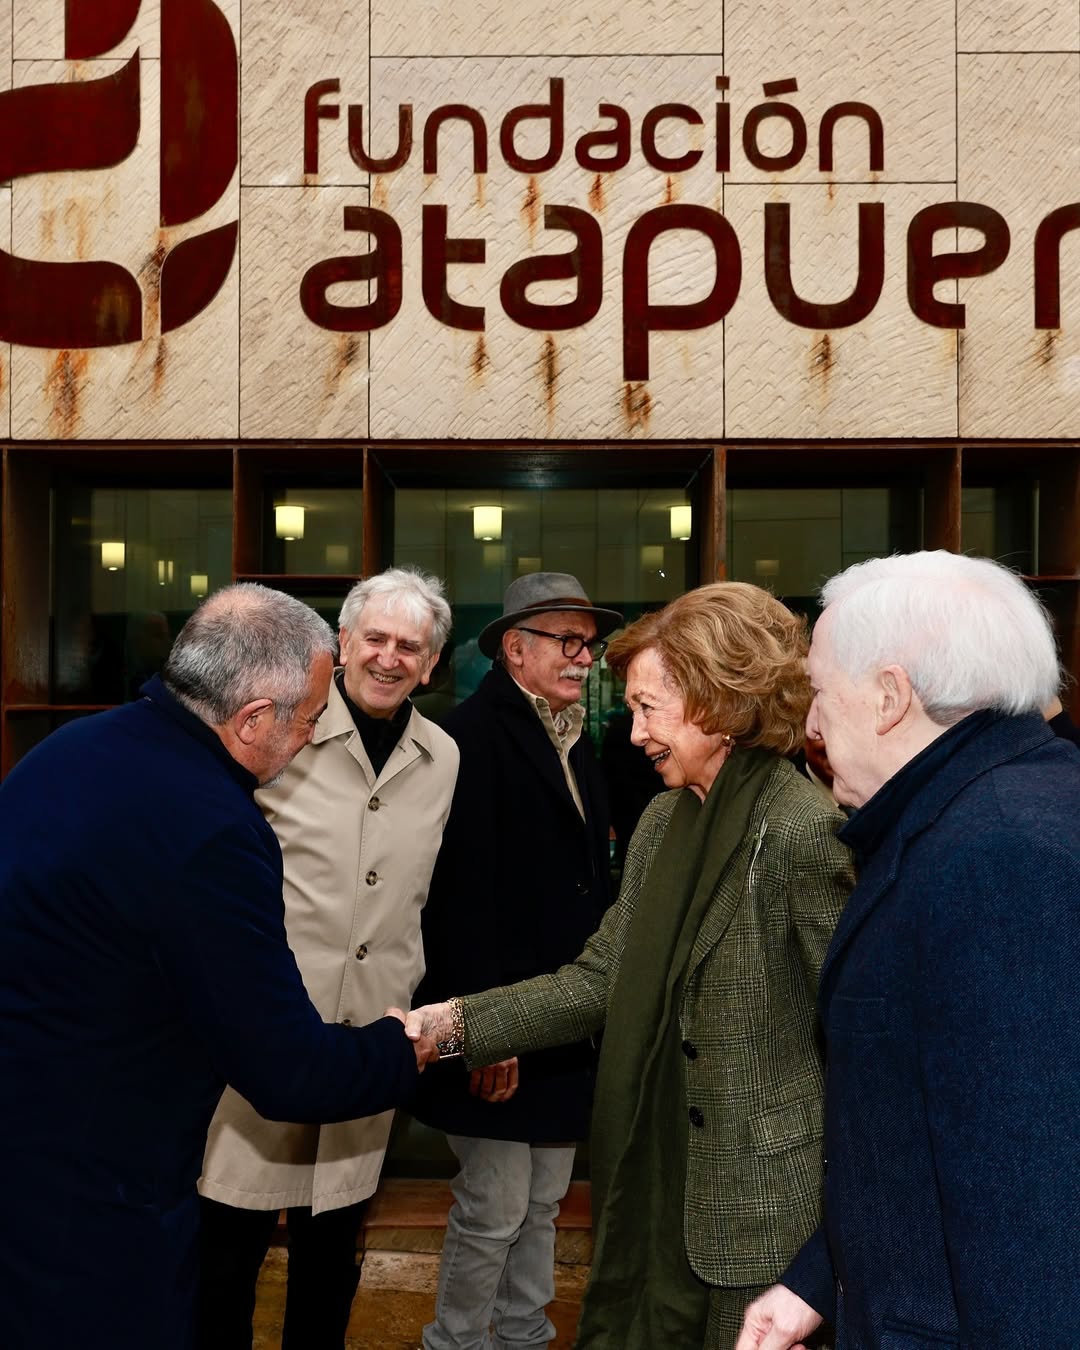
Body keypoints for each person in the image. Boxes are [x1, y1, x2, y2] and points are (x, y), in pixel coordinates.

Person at [407, 581, 856, 1350]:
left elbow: (855, 1043)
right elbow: (597, 980)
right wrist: (446, 1029)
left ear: (719, 701)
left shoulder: (803, 832)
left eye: (651, 708)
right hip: (657, 1186)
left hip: (760, 1215)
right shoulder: (661, 821)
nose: (635, 730)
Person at [0, 584, 437, 1350]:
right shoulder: (214, 828)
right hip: (97, 1189)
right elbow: (286, 1071)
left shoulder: (69, 750)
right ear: (252, 720)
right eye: (306, 718)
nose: (309, 737)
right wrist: (412, 1046)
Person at [734, 551, 1080, 1350]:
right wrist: (817, 1282)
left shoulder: (1004, 854)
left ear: (890, 696)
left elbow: (1037, 1206)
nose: (812, 727)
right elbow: (922, 1128)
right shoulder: (979, 814)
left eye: (820, 693)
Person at [197, 569, 459, 1350]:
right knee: (228, 1243)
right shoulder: (280, 728)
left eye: (410, 646)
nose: (389, 657)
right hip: (264, 1023)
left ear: (432, 664)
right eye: (374, 638)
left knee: (333, 1243)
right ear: (341, 644)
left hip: (368, 1035)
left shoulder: (442, 756)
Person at [410, 571, 621, 1350]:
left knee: (543, 1202)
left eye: (588, 644)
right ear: (514, 650)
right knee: (493, 1205)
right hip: (497, 1028)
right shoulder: (470, 738)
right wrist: (484, 1033)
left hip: (560, 1027)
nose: (584, 658)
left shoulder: (576, 740)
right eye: (567, 642)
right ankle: (458, 1342)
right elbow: (458, 901)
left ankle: (523, 1336)